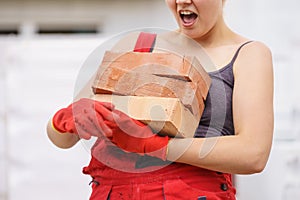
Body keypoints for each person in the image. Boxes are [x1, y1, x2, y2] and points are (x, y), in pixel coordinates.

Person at [46, 0, 274, 199]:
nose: (182, 1)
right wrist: (67, 119)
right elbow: (62, 139)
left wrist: (154, 146)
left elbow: (253, 154)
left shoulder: (248, 54)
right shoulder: (137, 46)